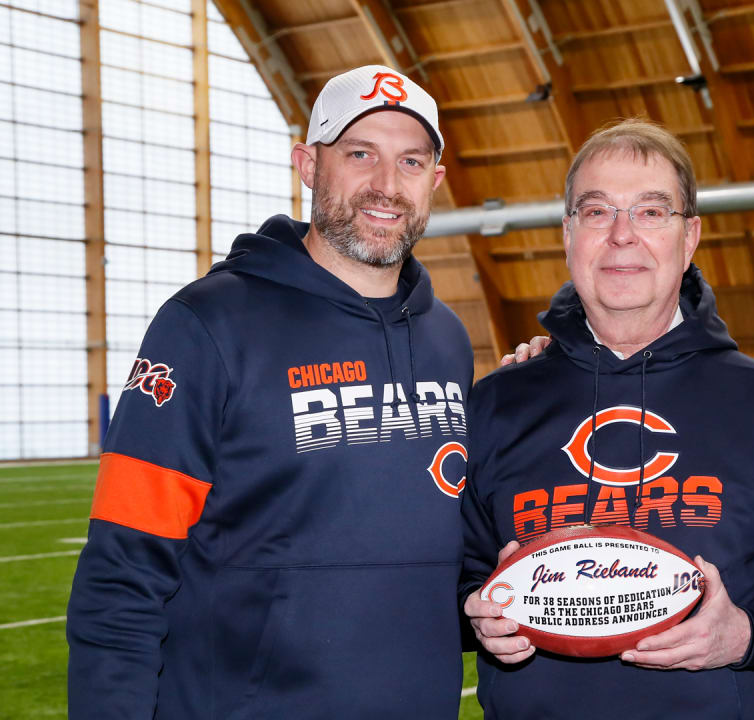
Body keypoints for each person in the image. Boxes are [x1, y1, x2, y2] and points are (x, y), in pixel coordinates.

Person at [66, 65, 474, 719]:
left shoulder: (448, 341)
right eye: (359, 153)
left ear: (435, 181)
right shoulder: (205, 324)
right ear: (308, 165)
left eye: (411, 161)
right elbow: (123, 572)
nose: (386, 186)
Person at [459, 119, 754, 719]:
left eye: (652, 212)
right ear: (568, 233)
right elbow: (451, 578)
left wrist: (745, 635)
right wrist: (474, 615)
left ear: (690, 239)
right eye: (598, 212)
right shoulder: (497, 404)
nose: (622, 236)